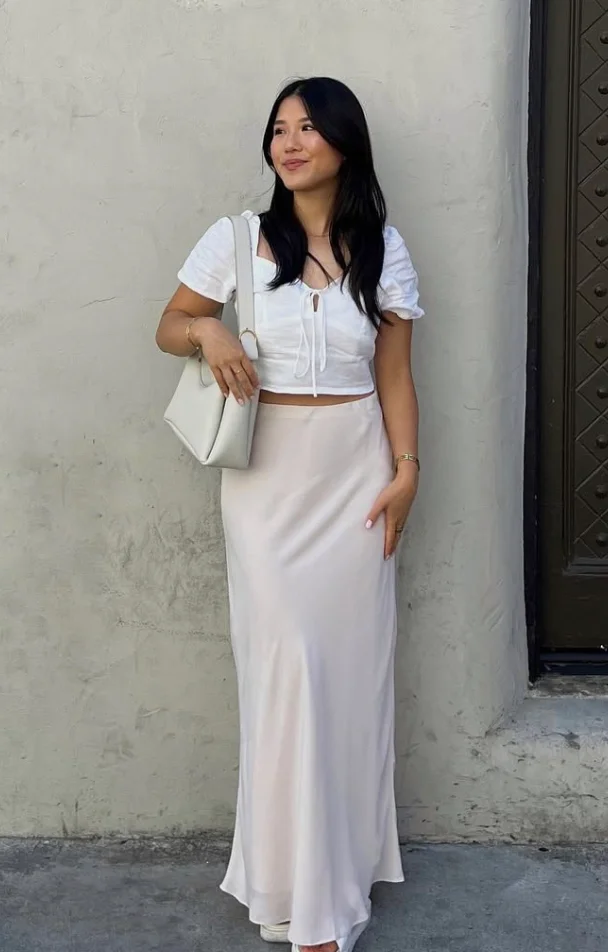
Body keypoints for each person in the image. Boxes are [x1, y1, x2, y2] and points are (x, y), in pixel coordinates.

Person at [156, 76, 424, 952]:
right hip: (266, 484)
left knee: (346, 681)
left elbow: (393, 373)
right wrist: (213, 332)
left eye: (309, 127)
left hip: (354, 476)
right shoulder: (237, 239)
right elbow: (172, 323)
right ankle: (285, 886)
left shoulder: (382, 247)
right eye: (279, 128)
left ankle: (330, 889)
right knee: (286, 677)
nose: (290, 142)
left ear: (346, 142)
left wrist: (407, 469)